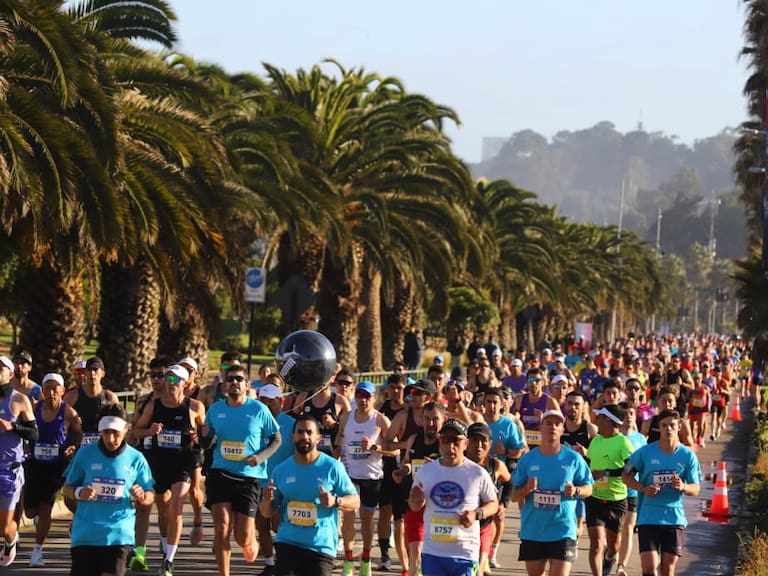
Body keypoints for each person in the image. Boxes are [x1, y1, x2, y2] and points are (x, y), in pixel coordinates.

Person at [200, 364, 281, 576]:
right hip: (220, 473)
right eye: (230, 379)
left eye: (239, 379)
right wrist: (203, 436)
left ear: (247, 385)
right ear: (225, 385)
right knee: (221, 528)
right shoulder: (216, 410)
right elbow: (206, 443)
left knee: (241, 537)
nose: (234, 382)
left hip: (248, 478)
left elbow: (276, 439)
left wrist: (260, 457)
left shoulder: (258, 410)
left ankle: (250, 539)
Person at [260, 415, 360, 576]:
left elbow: (355, 501)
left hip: (320, 546)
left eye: (309, 432)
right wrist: (267, 500)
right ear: (293, 437)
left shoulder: (332, 467)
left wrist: (335, 501)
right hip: (287, 542)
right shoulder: (281, 470)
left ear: (318, 438)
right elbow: (267, 512)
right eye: (300, 432)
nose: (304, 436)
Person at [63, 403, 155, 576]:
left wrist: (143, 496)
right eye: (106, 432)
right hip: (86, 535)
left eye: (116, 433)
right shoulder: (85, 454)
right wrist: (78, 492)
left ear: (126, 430)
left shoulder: (136, 458)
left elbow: (151, 493)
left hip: (119, 535)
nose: (110, 439)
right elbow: (67, 487)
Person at [132, 364, 206, 576]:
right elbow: (135, 431)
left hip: (182, 463)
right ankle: (156, 548)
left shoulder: (194, 407)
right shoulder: (153, 406)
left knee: (175, 508)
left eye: (175, 380)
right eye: (168, 379)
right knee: (158, 509)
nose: (170, 384)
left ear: (185, 383)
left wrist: (198, 437)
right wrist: (149, 430)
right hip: (158, 463)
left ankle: (169, 560)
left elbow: (207, 435)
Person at [408, 419, 499, 576]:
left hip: (464, 553)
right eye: (445, 440)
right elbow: (415, 506)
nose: (450, 446)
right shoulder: (426, 471)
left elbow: (493, 504)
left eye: (456, 440)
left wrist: (476, 514)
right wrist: (415, 500)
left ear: (466, 443)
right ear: (439, 442)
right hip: (433, 552)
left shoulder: (477, 473)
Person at [512, 409, 593, 576]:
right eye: (548, 423)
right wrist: (525, 489)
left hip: (563, 529)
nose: (553, 427)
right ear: (541, 427)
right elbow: (512, 496)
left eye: (557, 424)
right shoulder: (527, 459)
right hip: (534, 530)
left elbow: (589, 488)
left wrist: (576, 490)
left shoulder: (573, 458)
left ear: (562, 430)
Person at [621, 409, 702, 576]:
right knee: (649, 567)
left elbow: (696, 488)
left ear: (679, 427)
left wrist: (683, 486)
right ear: (659, 427)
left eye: (672, 425)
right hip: (648, 517)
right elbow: (625, 475)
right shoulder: (645, 452)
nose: (668, 429)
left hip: (674, 518)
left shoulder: (688, 456)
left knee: (667, 568)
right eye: (664, 425)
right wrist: (643, 488)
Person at [336, 381, 396, 576]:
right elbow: (338, 441)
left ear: (374, 398)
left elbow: (395, 451)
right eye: (360, 395)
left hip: (371, 477)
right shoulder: (345, 418)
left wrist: (374, 448)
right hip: (349, 475)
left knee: (367, 520)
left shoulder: (381, 420)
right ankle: (347, 561)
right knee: (348, 517)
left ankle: (366, 559)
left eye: (367, 396)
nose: (363, 399)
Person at [25, 373, 82, 567]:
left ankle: (37, 551)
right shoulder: (33, 409)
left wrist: (73, 445)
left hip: (56, 466)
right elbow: (23, 429)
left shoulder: (69, 413)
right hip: (34, 464)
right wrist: (24, 444)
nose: (51, 392)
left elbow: (78, 432)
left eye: (55, 388)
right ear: (42, 391)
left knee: (46, 507)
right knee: (31, 511)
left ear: (62, 391)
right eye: (47, 388)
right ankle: (38, 520)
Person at [392, 402, 444, 576]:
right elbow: (407, 461)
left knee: (434, 555)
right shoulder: (414, 439)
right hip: (415, 503)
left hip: (439, 506)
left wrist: (437, 467)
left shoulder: (445, 444)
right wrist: (401, 471)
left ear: (443, 420)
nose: (430, 424)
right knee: (415, 551)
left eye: (435, 419)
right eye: (427, 419)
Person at [586, 404, 635, 576]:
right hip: (594, 497)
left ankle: (610, 556)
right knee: (596, 543)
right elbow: (589, 463)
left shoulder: (623, 443)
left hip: (617, 500)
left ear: (607, 420)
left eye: (599, 416)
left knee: (613, 546)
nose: (596, 419)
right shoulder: (596, 440)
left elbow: (632, 468)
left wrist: (606, 473)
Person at [0, 355, 37, 566]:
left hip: (8, 471)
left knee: (3, 527)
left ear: (10, 374)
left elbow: (34, 434)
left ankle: (11, 538)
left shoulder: (19, 400)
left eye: (1, 369)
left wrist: (12, 427)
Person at [256, 382, 295, 576]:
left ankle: (284, 563)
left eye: (270, 401)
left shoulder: (291, 424)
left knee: (278, 526)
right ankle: (270, 564)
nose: (266, 405)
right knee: (261, 525)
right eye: (262, 401)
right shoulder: (255, 421)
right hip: (258, 481)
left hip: (283, 483)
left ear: (281, 401)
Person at [464, 422, 512, 576]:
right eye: (474, 440)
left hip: (484, 526)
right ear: (466, 442)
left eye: (483, 441)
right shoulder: (458, 463)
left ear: (490, 443)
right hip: (462, 526)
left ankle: (484, 564)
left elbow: (509, 483)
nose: (478, 445)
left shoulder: (496, 465)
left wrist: (503, 504)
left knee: (477, 570)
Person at [616, 403, 647, 576]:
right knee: (614, 530)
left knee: (628, 527)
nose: (629, 416)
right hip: (613, 490)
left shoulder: (641, 439)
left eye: (632, 413)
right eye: (625, 413)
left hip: (633, 490)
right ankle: (611, 552)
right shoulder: (612, 437)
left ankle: (622, 565)